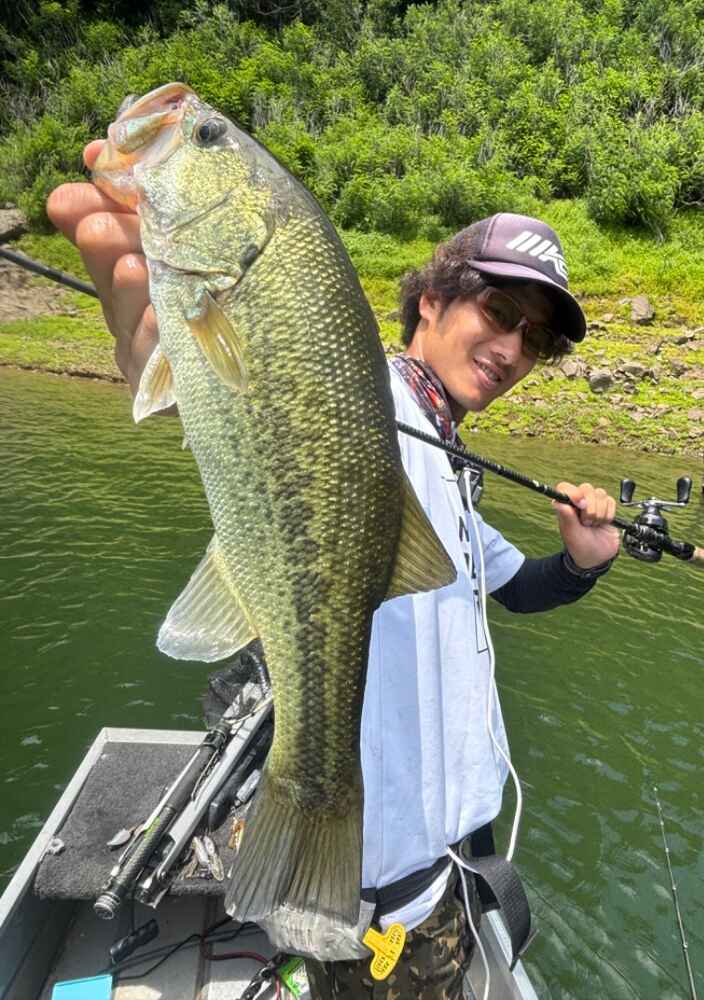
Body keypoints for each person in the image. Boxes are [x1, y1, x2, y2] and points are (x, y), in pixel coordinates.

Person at [48, 145, 620, 999]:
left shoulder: (446, 462)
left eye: (535, 339)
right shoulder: (369, 402)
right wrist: (192, 343)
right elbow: (287, 390)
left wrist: (579, 566)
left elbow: (512, 588)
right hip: (372, 895)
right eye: (499, 311)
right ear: (431, 299)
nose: (512, 347)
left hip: (447, 870)